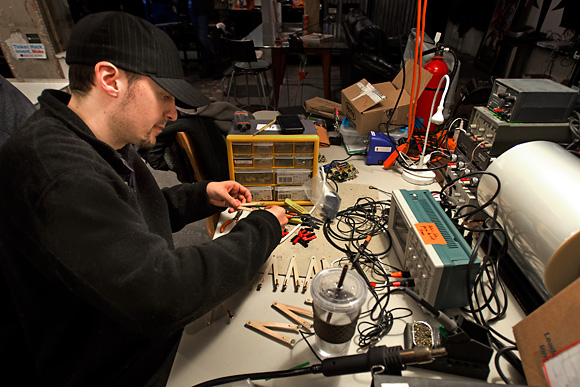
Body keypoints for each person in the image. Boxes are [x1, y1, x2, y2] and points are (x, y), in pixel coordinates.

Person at [0, 11, 287, 386]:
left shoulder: (100, 136)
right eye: (164, 96)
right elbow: (165, 293)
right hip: (112, 366)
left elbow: (124, 219)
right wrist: (263, 228)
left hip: (127, 329)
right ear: (109, 80)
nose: (172, 113)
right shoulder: (59, 173)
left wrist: (200, 196)